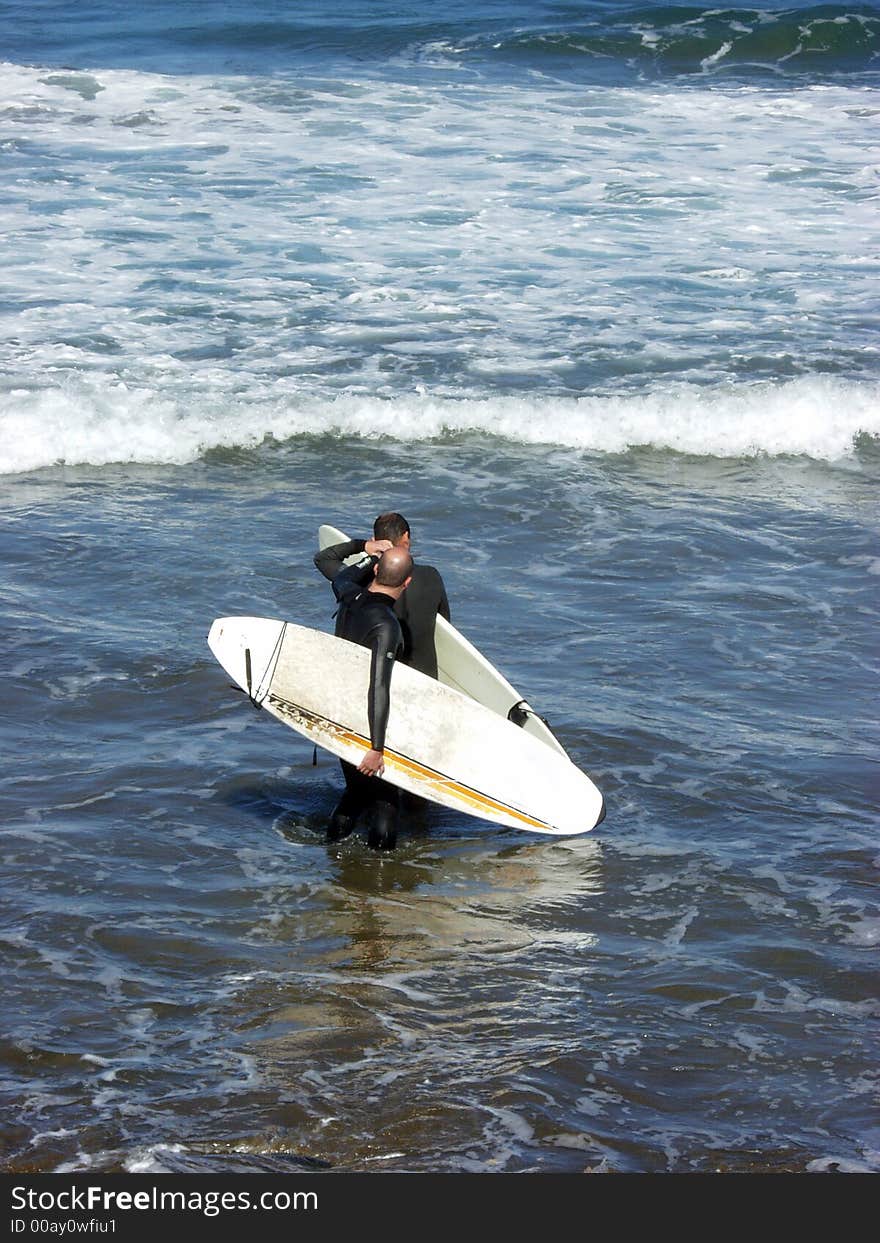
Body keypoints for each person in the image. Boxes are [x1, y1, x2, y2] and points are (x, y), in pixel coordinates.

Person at [327, 544, 413, 851]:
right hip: (366, 722)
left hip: (336, 713)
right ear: (407, 583)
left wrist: (369, 556)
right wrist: (377, 747)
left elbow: (340, 577)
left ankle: (333, 849)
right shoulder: (387, 626)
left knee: (356, 790)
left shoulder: (350, 595)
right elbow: (379, 686)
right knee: (385, 799)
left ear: (376, 571)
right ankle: (379, 872)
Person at [314, 512, 450, 679]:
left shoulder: (361, 579)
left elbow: (323, 559)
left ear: (375, 540)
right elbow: (445, 626)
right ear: (406, 538)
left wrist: (363, 546)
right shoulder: (431, 577)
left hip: (372, 677)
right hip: (423, 682)